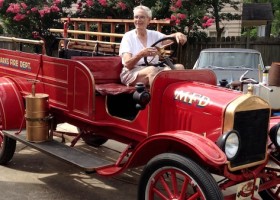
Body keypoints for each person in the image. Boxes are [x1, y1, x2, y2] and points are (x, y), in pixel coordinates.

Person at [119, 5, 187, 87]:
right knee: (152, 70)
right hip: (132, 72)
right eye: (136, 17)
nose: (138, 20)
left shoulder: (154, 34)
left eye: (142, 17)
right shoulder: (128, 37)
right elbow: (127, 64)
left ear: (148, 20)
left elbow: (169, 38)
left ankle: (173, 96)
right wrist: (141, 54)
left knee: (179, 67)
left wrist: (178, 34)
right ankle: (155, 99)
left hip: (155, 67)